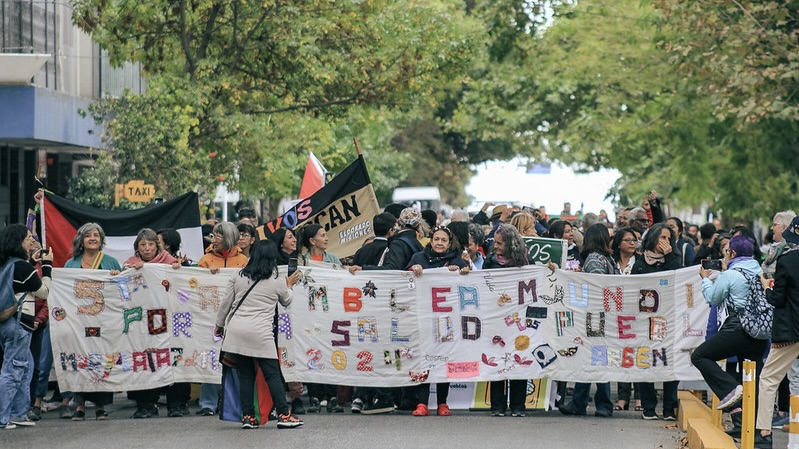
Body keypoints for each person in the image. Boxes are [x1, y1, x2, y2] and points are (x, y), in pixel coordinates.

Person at [213, 240, 303, 429]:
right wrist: (290, 285)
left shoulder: (237, 276)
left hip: (236, 331)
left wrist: (219, 325)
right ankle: (284, 415)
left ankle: (248, 418)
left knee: (246, 375)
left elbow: (225, 304)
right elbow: (286, 300)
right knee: (272, 375)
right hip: (261, 333)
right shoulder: (276, 279)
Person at [692, 235, 769, 438]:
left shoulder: (731, 274)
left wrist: (706, 281)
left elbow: (712, 298)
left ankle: (730, 389)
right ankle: (749, 429)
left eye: (727, 251)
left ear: (732, 253)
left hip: (737, 330)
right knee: (752, 380)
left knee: (699, 356)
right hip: (760, 332)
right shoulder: (761, 271)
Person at [406, 226, 469, 417]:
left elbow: (467, 280)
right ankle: (422, 403)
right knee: (424, 360)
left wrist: (460, 272)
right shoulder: (418, 258)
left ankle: (443, 403)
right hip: (423, 319)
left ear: (449, 243)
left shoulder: (456, 260)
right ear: (430, 241)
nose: (439, 243)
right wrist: (412, 270)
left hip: (446, 321)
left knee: (444, 360)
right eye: (436, 239)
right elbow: (403, 280)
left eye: (443, 240)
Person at [63, 223, 122, 421]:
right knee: (80, 360)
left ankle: (100, 406)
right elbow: (64, 292)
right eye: (88, 235)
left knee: (102, 359)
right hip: (78, 321)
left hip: (104, 321)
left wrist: (117, 277)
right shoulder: (71, 264)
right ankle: (78, 404)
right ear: (81, 239)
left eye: (96, 235)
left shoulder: (111, 262)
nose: (93, 238)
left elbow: (123, 290)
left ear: (101, 239)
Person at [123, 228, 182, 418]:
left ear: (158, 246)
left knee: (173, 360)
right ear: (137, 247)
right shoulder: (131, 264)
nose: (147, 249)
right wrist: (125, 272)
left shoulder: (171, 263)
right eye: (142, 245)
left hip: (169, 322)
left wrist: (178, 271)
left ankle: (176, 405)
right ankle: (146, 405)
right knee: (145, 362)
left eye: (150, 244)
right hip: (142, 324)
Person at [559, 224, 616, 418]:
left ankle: (588, 403)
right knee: (598, 359)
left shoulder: (593, 259)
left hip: (594, 316)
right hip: (604, 315)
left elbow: (596, 285)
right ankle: (595, 403)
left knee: (591, 358)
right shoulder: (608, 258)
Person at [0, 224, 53, 429]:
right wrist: (46, 266)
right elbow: (44, 292)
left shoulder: (7, 265)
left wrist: (32, 261)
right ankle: (4, 417)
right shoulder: (23, 267)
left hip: (7, 322)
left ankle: (18, 413)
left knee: (25, 367)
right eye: (28, 237)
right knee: (13, 370)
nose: (32, 241)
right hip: (20, 323)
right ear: (17, 242)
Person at [753, 216, 799, 449]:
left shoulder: (788, 260)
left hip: (791, 329)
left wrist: (766, 288)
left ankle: (764, 434)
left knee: (769, 379)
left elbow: (778, 298)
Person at [196, 222, 249, 417]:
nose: (213, 239)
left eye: (218, 236)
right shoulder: (205, 259)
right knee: (209, 355)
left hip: (236, 316)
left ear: (228, 238)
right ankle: (207, 403)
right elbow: (194, 285)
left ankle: (235, 402)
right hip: (209, 316)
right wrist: (206, 276)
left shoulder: (243, 260)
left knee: (236, 359)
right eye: (213, 236)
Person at [631, 223, 682, 420]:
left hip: (669, 320)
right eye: (662, 238)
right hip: (645, 320)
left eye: (669, 238)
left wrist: (669, 256)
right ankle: (648, 406)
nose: (665, 242)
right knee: (646, 362)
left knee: (670, 362)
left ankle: (669, 407)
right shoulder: (640, 262)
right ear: (652, 238)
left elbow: (679, 278)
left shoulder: (674, 258)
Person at [484, 224, 530, 417]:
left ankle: (518, 405)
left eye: (499, 243)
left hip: (518, 319)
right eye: (495, 242)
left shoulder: (526, 261)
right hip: (496, 317)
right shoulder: (490, 261)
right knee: (497, 358)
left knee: (519, 356)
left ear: (510, 244)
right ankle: (497, 405)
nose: (495, 246)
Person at [611, 228, 641, 411]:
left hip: (636, 313)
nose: (632, 243)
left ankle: (639, 397)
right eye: (628, 240)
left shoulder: (640, 262)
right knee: (621, 355)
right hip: (615, 314)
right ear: (619, 243)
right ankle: (622, 397)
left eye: (634, 240)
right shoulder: (610, 262)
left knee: (638, 354)